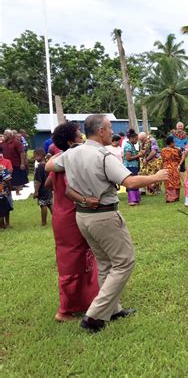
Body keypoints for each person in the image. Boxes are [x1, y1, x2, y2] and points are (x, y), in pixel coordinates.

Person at [46, 114, 168, 332]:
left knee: (105, 263)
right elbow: (129, 181)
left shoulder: (70, 154)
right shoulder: (104, 156)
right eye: (110, 128)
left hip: (83, 217)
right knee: (124, 262)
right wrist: (156, 177)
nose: (112, 132)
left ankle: (112, 309)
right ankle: (94, 315)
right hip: (104, 216)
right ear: (101, 130)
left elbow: (50, 167)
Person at [47, 122, 99, 322]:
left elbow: (49, 183)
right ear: (71, 142)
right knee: (72, 263)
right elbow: (71, 190)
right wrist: (88, 200)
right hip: (71, 216)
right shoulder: (71, 161)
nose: (83, 139)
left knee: (81, 260)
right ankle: (65, 310)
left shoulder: (61, 160)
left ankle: (85, 300)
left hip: (61, 214)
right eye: (79, 136)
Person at [2, 129, 28, 195]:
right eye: (4, 134)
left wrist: (22, 163)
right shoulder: (3, 143)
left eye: (5, 134)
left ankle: (17, 191)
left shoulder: (16, 143)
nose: (4, 135)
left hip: (16, 163)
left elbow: (22, 153)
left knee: (18, 178)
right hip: (6, 164)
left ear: (10, 135)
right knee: (7, 178)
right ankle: (8, 191)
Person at [123, 129, 144, 206]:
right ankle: (132, 200)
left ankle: (136, 199)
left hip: (133, 166)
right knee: (132, 182)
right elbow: (128, 158)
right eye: (135, 139)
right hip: (130, 167)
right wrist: (139, 155)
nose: (136, 141)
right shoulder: (128, 146)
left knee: (135, 182)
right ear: (131, 138)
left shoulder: (131, 145)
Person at [33, 148, 53, 226]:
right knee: (49, 204)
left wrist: (36, 191)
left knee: (43, 205)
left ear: (40, 155)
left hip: (42, 188)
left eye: (35, 156)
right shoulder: (47, 164)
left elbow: (38, 180)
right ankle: (56, 218)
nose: (34, 158)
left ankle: (43, 223)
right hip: (48, 188)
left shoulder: (40, 166)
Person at [161, 136, 182, 203]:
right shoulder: (175, 150)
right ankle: (175, 197)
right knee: (175, 181)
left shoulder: (163, 150)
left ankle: (169, 197)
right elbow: (179, 158)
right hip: (174, 167)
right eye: (174, 142)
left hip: (166, 167)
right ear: (171, 143)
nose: (175, 143)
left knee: (168, 182)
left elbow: (162, 158)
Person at [0, 161, 13, 229]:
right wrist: (10, 189)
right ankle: (5, 224)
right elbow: (8, 180)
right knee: (5, 209)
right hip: (3, 193)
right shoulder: (1, 168)